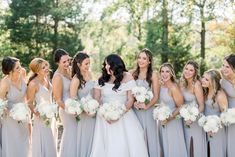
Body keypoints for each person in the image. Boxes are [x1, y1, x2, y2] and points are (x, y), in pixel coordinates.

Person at [90, 54, 149, 157]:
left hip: (124, 114)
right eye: (106, 65)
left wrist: (118, 114)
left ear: (115, 65)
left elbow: (130, 99)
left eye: (109, 65)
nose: (106, 67)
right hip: (104, 118)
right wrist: (105, 114)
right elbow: (97, 99)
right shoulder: (101, 78)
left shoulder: (127, 76)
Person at [130, 48, 161, 157]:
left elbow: (156, 96)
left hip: (148, 111)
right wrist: (133, 102)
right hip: (135, 110)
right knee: (137, 136)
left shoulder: (153, 75)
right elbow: (129, 93)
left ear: (149, 61)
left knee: (149, 136)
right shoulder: (132, 73)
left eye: (144, 58)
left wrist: (146, 105)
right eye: (139, 58)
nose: (141, 60)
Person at [27, 58, 57, 157]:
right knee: (43, 141)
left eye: (46, 65)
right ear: (36, 71)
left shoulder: (46, 78)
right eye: (43, 68)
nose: (46, 68)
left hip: (50, 115)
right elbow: (30, 102)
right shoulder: (33, 84)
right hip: (41, 117)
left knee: (51, 140)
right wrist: (36, 113)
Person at [0, 57, 30, 157]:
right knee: (13, 144)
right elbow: (0, 103)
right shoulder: (5, 83)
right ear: (10, 71)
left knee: (24, 142)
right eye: (17, 67)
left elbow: (26, 95)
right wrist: (12, 113)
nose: (20, 68)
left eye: (20, 65)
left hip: (24, 115)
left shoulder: (23, 73)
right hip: (10, 118)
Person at [52, 48, 77, 157]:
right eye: (64, 62)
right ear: (58, 62)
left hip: (76, 107)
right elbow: (58, 100)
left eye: (68, 60)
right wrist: (70, 110)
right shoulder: (57, 77)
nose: (67, 63)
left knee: (77, 134)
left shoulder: (71, 70)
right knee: (70, 133)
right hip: (66, 110)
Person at [158, 63, 187, 157]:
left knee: (174, 148)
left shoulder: (174, 87)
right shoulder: (161, 86)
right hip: (162, 121)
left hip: (173, 122)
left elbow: (181, 106)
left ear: (171, 74)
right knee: (166, 147)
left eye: (167, 71)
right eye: (162, 71)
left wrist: (169, 118)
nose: (164, 74)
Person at [70, 52, 95, 157]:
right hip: (84, 114)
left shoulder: (89, 74)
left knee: (94, 139)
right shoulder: (76, 79)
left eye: (89, 63)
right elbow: (73, 99)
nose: (88, 66)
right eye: (86, 64)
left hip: (94, 112)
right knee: (85, 138)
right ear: (79, 64)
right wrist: (84, 109)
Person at [180, 60, 207, 157]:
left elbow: (202, 106)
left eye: (191, 70)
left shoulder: (197, 85)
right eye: (186, 69)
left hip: (195, 119)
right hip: (184, 119)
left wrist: (192, 118)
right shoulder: (182, 83)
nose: (187, 71)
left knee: (196, 145)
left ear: (195, 72)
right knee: (187, 145)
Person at [201, 69, 227, 157]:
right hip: (206, 128)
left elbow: (225, 115)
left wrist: (214, 127)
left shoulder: (220, 95)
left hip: (217, 129)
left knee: (216, 152)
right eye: (203, 77)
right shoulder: (205, 91)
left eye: (206, 79)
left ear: (213, 82)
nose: (203, 80)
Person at [220, 54, 235, 157]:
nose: (223, 69)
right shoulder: (222, 82)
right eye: (223, 65)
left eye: (227, 66)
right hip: (230, 117)